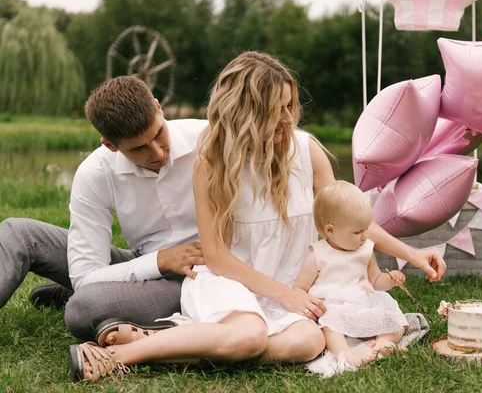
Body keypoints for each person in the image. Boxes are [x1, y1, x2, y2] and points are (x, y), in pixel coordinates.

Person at [68, 51, 446, 382]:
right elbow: (215, 256)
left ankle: (171, 341)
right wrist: (285, 296)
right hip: (229, 280)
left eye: (289, 105)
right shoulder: (211, 165)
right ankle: (116, 357)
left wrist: (412, 254)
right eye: (275, 110)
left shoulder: (306, 150)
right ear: (247, 112)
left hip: (289, 285)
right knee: (249, 334)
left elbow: (353, 219)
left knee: (308, 341)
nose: (287, 119)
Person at [0, 76, 207, 341]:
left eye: (158, 134)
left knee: (84, 309)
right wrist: (160, 260)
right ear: (110, 145)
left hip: (198, 276)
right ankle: (116, 294)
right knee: (19, 234)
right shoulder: (96, 173)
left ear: (158, 108)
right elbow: (86, 275)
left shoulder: (209, 139)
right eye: (139, 148)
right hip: (146, 262)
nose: (157, 153)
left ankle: (113, 296)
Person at [294, 180, 409, 368]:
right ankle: (347, 354)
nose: (365, 236)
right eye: (358, 231)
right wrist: (310, 307)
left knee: (395, 320)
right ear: (330, 231)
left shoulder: (366, 249)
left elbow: (376, 280)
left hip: (363, 300)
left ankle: (382, 344)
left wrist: (390, 279)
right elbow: (300, 288)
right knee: (330, 328)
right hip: (333, 306)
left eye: (365, 229)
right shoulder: (319, 255)